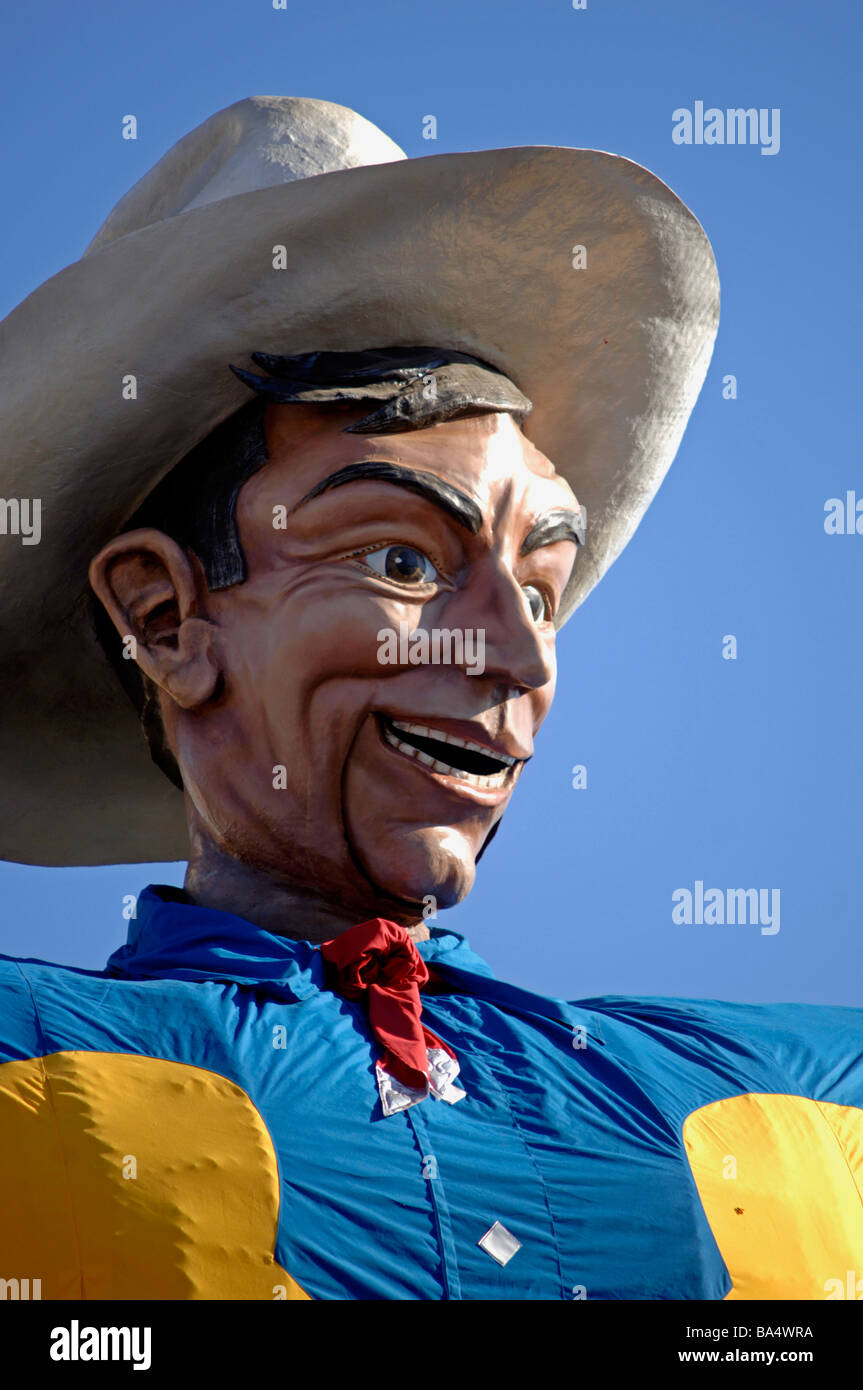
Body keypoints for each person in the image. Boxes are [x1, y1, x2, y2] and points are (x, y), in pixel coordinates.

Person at [1, 96, 860, 1302]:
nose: (519, 656)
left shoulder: (777, 1091)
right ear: (164, 618)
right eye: (400, 562)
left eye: (544, 591)